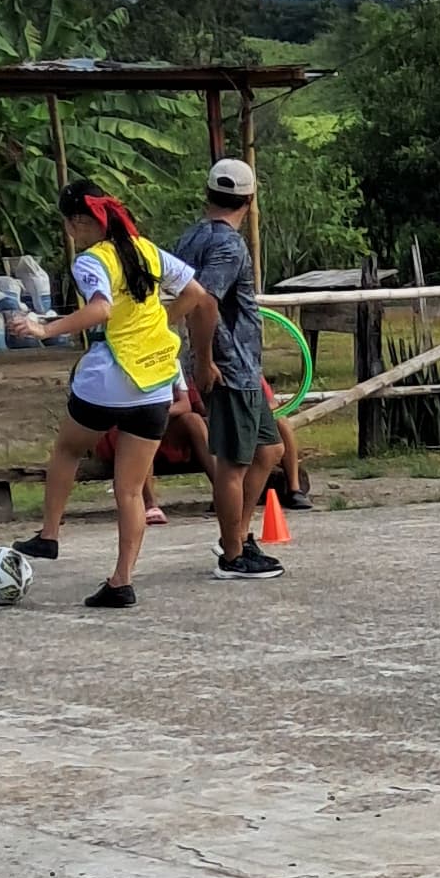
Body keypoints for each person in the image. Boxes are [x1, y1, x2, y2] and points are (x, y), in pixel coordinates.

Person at [11, 188, 218, 610]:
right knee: (130, 490)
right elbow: (196, 292)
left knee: (67, 449)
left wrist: (44, 329)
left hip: (110, 376)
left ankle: (50, 534)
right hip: (156, 380)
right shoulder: (147, 250)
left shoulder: (92, 260)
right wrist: (162, 320)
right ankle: (121, 580)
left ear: (77, 223)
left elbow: (101, 309)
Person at [178, 156, 289, 575]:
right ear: (249, 199)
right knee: (233, 464)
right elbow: (203, 301)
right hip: (231, 366)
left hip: (240, 367)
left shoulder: (191, 237)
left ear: (208, 193)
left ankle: (238, 535)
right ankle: (231, 555)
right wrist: (205, 362)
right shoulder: (229, 245)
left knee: (270, 449)